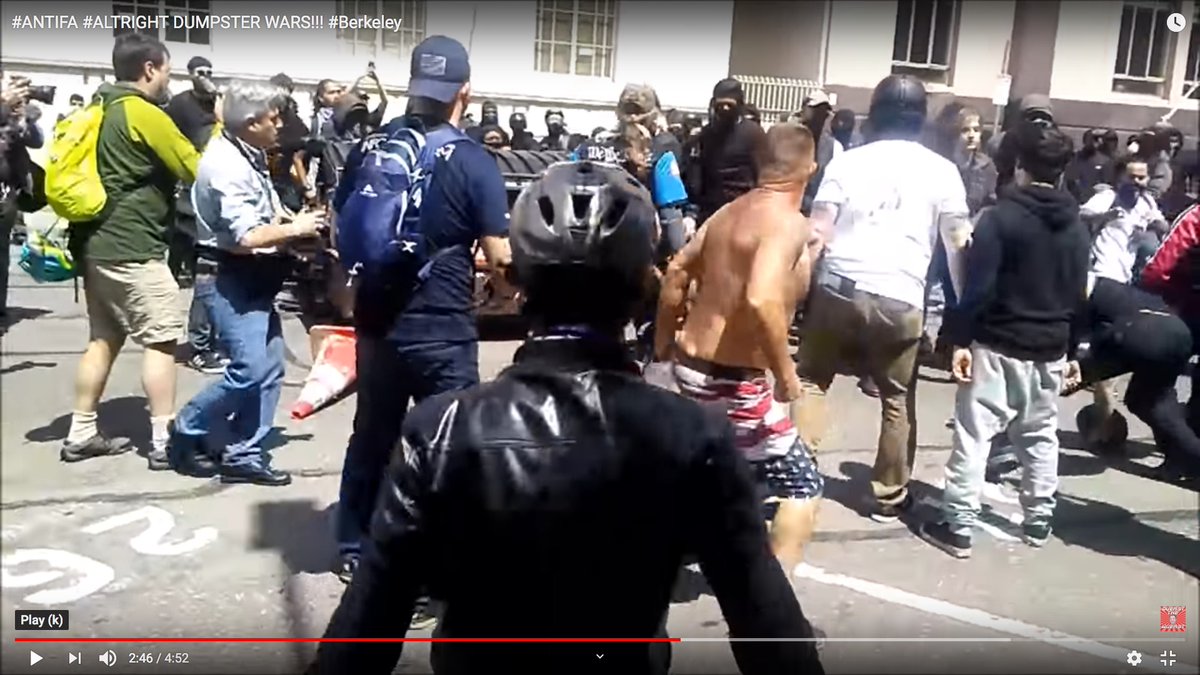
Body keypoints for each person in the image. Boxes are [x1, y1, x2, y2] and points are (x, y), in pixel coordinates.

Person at [311, 159, 824, 675]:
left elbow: (364, 633)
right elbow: (770, 629)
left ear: (515, 284)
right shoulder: (694, 435)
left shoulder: (440, 430)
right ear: (642, 287)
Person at [332, 36, 513, 598]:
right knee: (451, 445)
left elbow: (341, 229)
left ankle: (353, 544)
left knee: (372, 434)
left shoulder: (370, 147)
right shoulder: (473, 160)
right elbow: (501, 255)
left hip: (377, 322)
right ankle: (443, 562)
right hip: (441, 327)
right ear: (465, 91)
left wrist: (348, 303)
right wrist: (506, 289)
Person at [791, 74, 971, 522]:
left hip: (839, 284)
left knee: (813, 380)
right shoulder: (942, 170)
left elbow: (818, 232)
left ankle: (794, 476)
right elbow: (957, 246)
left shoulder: (848, 163)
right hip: (901, 295)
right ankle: (889, 495)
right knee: (896, 396)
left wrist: (798, 292)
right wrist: (964, 310)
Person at [655, 122, 825, 576]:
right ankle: (774, 609)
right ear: (810, 167)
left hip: (691, 369)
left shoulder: (728, 212)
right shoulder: (788, 222)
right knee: (802, 486)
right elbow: (761, 296)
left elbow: (676, 272)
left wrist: (663, 346)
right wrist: (786, 375)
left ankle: (683, 549)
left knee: (721, 473)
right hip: (734, 383)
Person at [920, 122, 1090, 557]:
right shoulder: (1076, 225)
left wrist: (957, 338)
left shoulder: (1002, 218)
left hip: (998, 342)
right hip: (1051, 344)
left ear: (1018, 167)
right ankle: (1039, 518)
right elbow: (1079, 292)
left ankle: (957, 522)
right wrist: (1074, 348)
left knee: (976, 434)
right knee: (1039, 435)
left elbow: (978, 288)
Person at [172, 81, 325, 484]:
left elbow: (263, 213)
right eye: (274, 118)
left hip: (253, 277)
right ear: (251, 121)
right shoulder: (226, 165)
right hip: (228, 278)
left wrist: (295, 225)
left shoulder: (248, 152)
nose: (280, 125)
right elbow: (246, 237)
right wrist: (298, 229)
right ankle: (187, 427)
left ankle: (243, 451)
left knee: (270, 366)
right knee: (248, 370)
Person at [63, 33, 201, 466]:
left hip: (95, 242)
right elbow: (193, 167)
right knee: (161, 339)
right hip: (134, 246)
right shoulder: (143, 113)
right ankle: (164, 442)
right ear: (149, 69)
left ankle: (81, 431)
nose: (168, 79)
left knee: (103, 338)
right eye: (166, 70)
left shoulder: (97, 106)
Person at [165, 55, 226, 375]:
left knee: (214, 274)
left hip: (211, 197)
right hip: (189, 200)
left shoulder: (216, 102)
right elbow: (206, 141)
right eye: (200, 73)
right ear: (189, 75)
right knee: (205, 273)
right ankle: (200, 347)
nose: (205, 77)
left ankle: (209, 341)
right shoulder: (181, 104)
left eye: (209, 72)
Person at [0, 76, 46, 318]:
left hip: (6, 192)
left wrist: (23, 116)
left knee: (2, 250)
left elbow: (37, 141)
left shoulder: (11, 113)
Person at [695, 78, 767, 224]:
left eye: (730, 105)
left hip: (743, 212)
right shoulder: (707, 134)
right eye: (721, 105)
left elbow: (762, 173)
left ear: (740, 105)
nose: (726, 109)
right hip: (711, 212)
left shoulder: (753, 134)